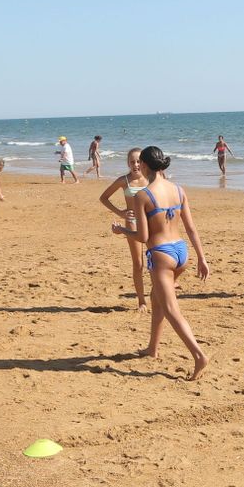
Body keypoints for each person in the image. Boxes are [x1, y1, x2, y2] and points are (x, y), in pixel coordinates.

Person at [135, 146, 210, 379]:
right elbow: (191, 228)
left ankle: (198, 355)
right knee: (156, 298)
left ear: (144, 165)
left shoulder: (143, 195)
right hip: (181, 252)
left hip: (161, 254)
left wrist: (121, 231)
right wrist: (202, 258)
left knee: (170, 309)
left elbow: (143, 237)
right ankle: (152, 348)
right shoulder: (178, 190)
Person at [100, 149, 150, 311]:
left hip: (150, 220)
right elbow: (104, 198)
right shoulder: (124, 181)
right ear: (128, 163)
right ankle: (141, 301)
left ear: (144, 162)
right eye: (132, 162)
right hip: (133, 222)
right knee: (138, 263)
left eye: (138, 161)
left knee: (156, 260)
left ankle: (158, 295)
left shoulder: (151, 178)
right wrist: (120, 213)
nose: (135, 165)